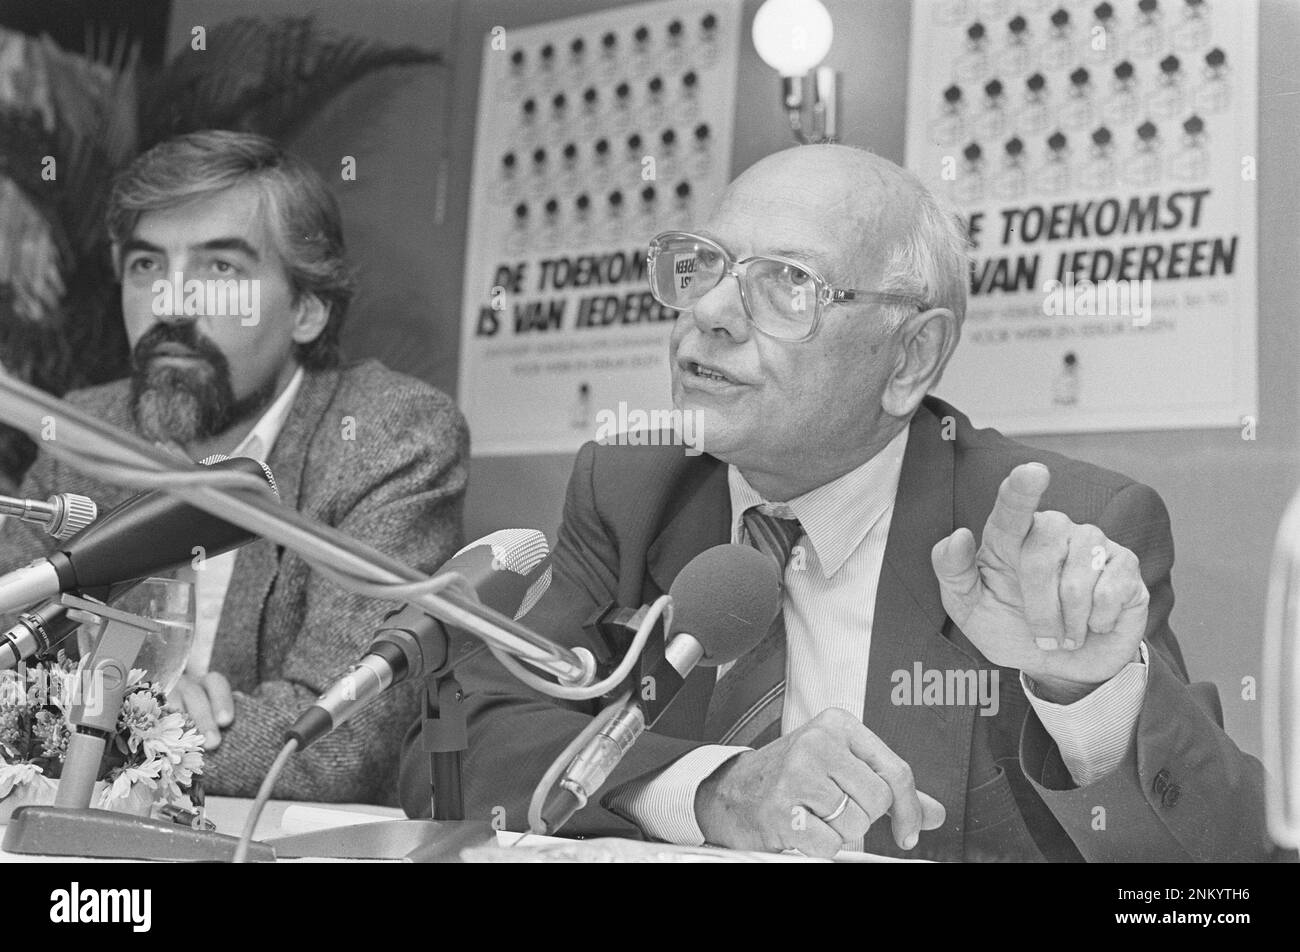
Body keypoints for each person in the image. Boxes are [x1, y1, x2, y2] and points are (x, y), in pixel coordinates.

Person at [399, 144, 1270, 861]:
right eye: (703, 266)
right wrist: (714, 790)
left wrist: (1086, 696)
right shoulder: (632, 490)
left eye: (785, 282)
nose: (709, 312)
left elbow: (1220, 874)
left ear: (909, 359)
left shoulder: (1053, 530)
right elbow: (457, 749)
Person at [1, 131, 468, 805]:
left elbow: (335, 741)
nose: (170, 305)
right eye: (146, 265)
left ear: (307, 310)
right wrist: (147, 718)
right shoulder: (85, 430)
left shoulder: (389, 437)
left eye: (220, 269)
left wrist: (123, 724)